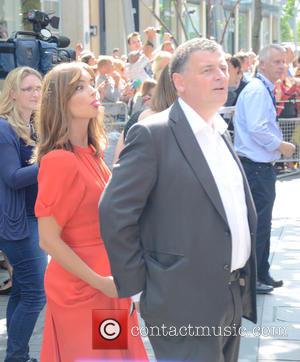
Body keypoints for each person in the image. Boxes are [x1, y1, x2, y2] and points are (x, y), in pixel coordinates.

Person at [100, 38, 257, 362]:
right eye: (207, 70)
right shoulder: (152, 134)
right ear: (179, 82)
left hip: (229, 295)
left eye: (222, 68)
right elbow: (115, 211)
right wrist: (140, 289)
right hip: (180, 303)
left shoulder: (219, 131)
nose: (220, 76)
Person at [34, 62, 148, 362]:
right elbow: (48, 240)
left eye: (91, 83)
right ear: (61, 101)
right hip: (82, 289)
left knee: (114, 355)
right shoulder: (60, 160)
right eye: (80, 87)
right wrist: (100, 282)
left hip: (108, 281)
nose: (93, 91)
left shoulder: (93, 153)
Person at [234, 44, 296, 294]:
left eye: (284, 61)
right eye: (277, 62)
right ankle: (254, 278)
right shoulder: (258, 91)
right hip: (256, 168)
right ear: (262, 64)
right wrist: (282, 145)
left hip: (260, 168)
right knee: (258, 225)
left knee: (263, 223)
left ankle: (262, 272)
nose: (282, 66)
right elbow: (258, 129)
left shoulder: (262, 89)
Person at [0, 66, 47, 362]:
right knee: (35, 295)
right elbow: (13, 177)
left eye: (38, 88)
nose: (35, 94)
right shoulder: (4, 127)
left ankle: (18, 355)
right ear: (12, 93)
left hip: (32, 218)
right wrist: (50, 161)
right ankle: (16, 357)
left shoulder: (32, 126)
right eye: (28, 89)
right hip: (17, 222)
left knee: (22, 290)